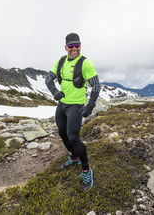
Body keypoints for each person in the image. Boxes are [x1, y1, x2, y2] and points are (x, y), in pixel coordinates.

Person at [45, 33, 101, 190]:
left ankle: (86, 170)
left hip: (76, 106)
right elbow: (48, 79)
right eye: (71, 46)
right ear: (65, 47)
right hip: (62, 105)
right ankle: (74, 157)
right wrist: (55, 93)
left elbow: (96, 86)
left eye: (77, 45)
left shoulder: (86, 63)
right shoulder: (60, 61)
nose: (74, 48)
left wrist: (89, 106)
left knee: (73, 138)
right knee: (62, 134)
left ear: (80, 46)